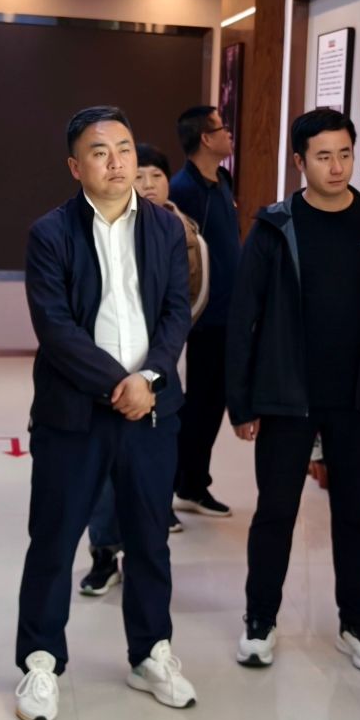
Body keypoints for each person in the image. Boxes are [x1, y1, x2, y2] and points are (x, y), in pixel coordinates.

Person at [14, 107, 194, 720]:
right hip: (74, 413)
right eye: (100, 151)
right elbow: (55, 328)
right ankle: (40, 662)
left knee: (149, 539)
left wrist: (150, 379)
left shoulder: (166, 228)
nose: (117, 162)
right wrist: (119, 384)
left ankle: (151, 654)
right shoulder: (51, 233)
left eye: (124, 148)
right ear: (76, 166)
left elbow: (176, 313)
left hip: (152, 410)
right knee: (54, 538)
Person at [229, 108, 360, 672]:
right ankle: (260, 619)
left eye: (345, 154)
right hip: (287, 395)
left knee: (354, 516)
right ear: (299, 161)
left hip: (357, 398)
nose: (337, 167)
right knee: (275, 512)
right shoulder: (274, 227)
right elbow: (243, 317)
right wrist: (243, 402)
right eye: (324, 156)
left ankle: (357, 623)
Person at [79, 142, 204, 596]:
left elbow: (188, 301)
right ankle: (104, 552)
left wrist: (154, 366)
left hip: (160, 369)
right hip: (102, 375)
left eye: (156, 175)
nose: (148, 184)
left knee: (149, 473)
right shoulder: (93, 227)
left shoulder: (182, 232)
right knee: (104, 475)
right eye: (140, 175)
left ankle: (143, 557)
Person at [168, 103, 240, 520]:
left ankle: (193, 483)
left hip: (229, 312)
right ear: (206, 138)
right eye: (221, 128)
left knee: (213, 402)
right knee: (196, 404)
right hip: (201, 317)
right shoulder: (182, 189)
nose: (229, 134)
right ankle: (181, 484)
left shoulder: (222, 181)